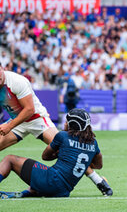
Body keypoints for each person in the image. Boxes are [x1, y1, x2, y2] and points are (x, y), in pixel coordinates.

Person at [0, 67, 112, 196]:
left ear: (2, 68)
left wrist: (9, 126)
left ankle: (98, 181)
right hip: (17, 120)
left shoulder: (16, 81)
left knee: (69, 150)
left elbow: (29, 110)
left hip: (37, 119)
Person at [0, 108, 103, 198]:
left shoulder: (62, 136)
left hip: (51, 180)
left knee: (10, 159)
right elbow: (98, 165)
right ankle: (28, 192)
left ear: (71, 124)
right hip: (64, 191)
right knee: (38, 184)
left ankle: (34, 189)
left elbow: (45, 156)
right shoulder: (93, 143)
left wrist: (60, 154)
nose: (65, 123)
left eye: (67, 121)